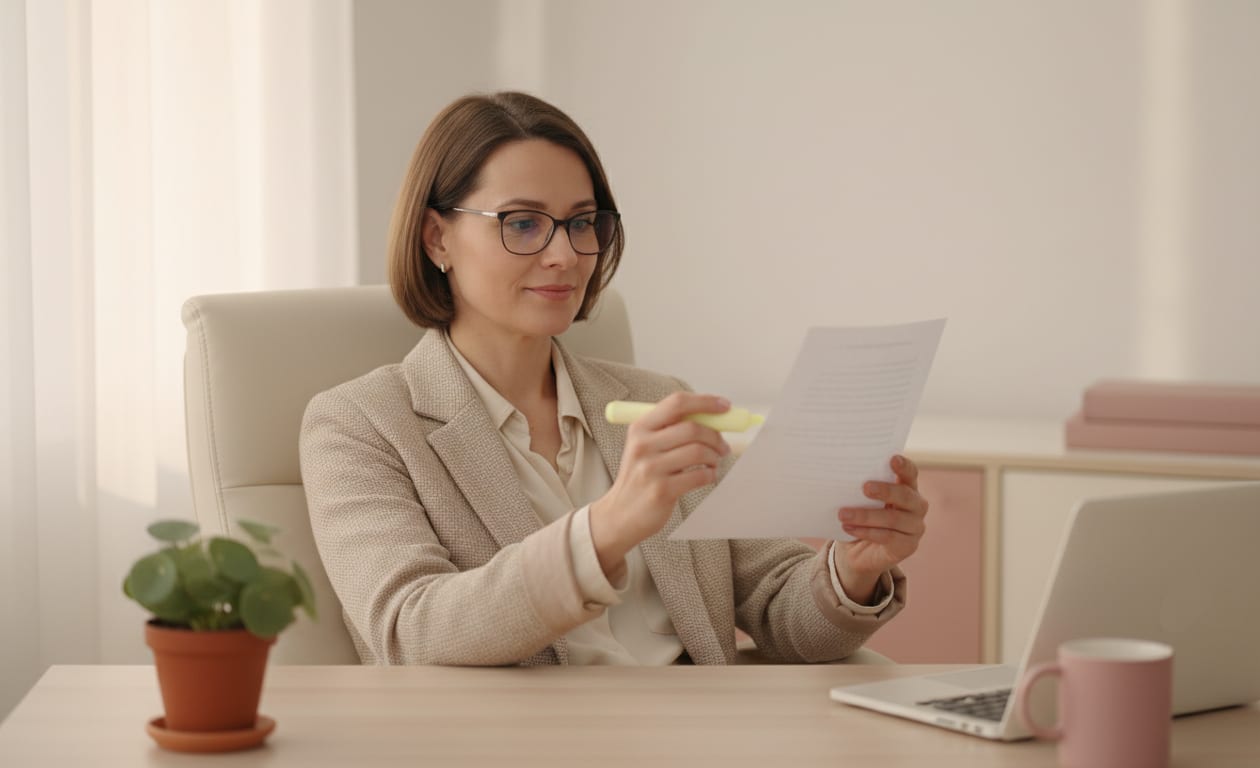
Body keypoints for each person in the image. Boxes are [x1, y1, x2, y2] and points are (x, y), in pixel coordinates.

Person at [299, 92, 928, 666]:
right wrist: (609, 527)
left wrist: (854, 569)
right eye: (522, 222)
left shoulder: (653, 401)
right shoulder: (361, 425)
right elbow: (413, 634)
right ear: (437, 237)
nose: (565, 255)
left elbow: (777, 607)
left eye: (582, 222)